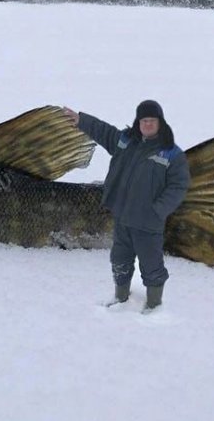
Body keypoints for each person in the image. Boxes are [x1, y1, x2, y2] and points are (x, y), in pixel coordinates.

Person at [63, 101, 190, 311]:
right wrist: (81, 120)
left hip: (148, 223)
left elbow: (179, 186)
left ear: (160, 123)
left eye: (152, 120)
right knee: (119, 259)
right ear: (138, 122)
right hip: (123, 217)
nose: (147, 124)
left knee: (151, 265)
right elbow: (104, 131)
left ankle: (154, 304)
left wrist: (157, 211)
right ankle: (120, 297)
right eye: (143, 120)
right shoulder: (126, 142)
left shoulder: (172, 154)